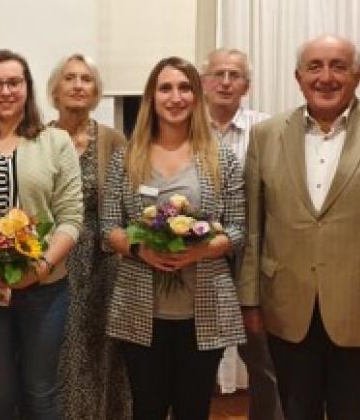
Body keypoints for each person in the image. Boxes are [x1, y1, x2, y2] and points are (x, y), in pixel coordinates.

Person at [239, 35, 360, 420]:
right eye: (314, 67)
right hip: (287, 309)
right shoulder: (266, 135)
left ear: (358, 75)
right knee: (296, 411)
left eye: (338, 66)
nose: (325, 77)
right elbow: (255, 227)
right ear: (298, 77)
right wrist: (251, 300)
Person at [101, 56, 245, 420]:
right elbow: (108, 228)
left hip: (205, 309)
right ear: (151, 97)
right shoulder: (126, 159)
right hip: (140, 307)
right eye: (165, 88)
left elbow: (239, 230)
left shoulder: (221, 158)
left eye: (185, 88)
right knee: (146, 408)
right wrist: (141, 250)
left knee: (193, 409)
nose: (175, 97)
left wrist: (198, 252)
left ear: (197, 97)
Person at [0, 49, 82, 420]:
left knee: (41, 392)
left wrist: (39, 266)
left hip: (45, 289)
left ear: (28, 88)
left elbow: (71, 218)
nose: (5, 91)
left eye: (14, 82)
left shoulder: (55, 142)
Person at [45, 53, 130, 420]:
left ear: (96, 91)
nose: (78, 85)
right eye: (70, 78)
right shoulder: (40, 138)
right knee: (58, 348)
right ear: (55, 89)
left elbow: (127, 202)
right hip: (54, 259)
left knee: (104, 349)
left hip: (104, 261)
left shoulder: (114, 140)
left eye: (86, 79)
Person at [200, 47, 281, 420]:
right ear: (203, 81)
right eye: (219, 74)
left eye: (235, 75)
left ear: (246, 85)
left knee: (264, 360)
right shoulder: (185, 127)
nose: (226, 82)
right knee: (195, 362)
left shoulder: (268, 131)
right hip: (197, 260)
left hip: (253, 257)